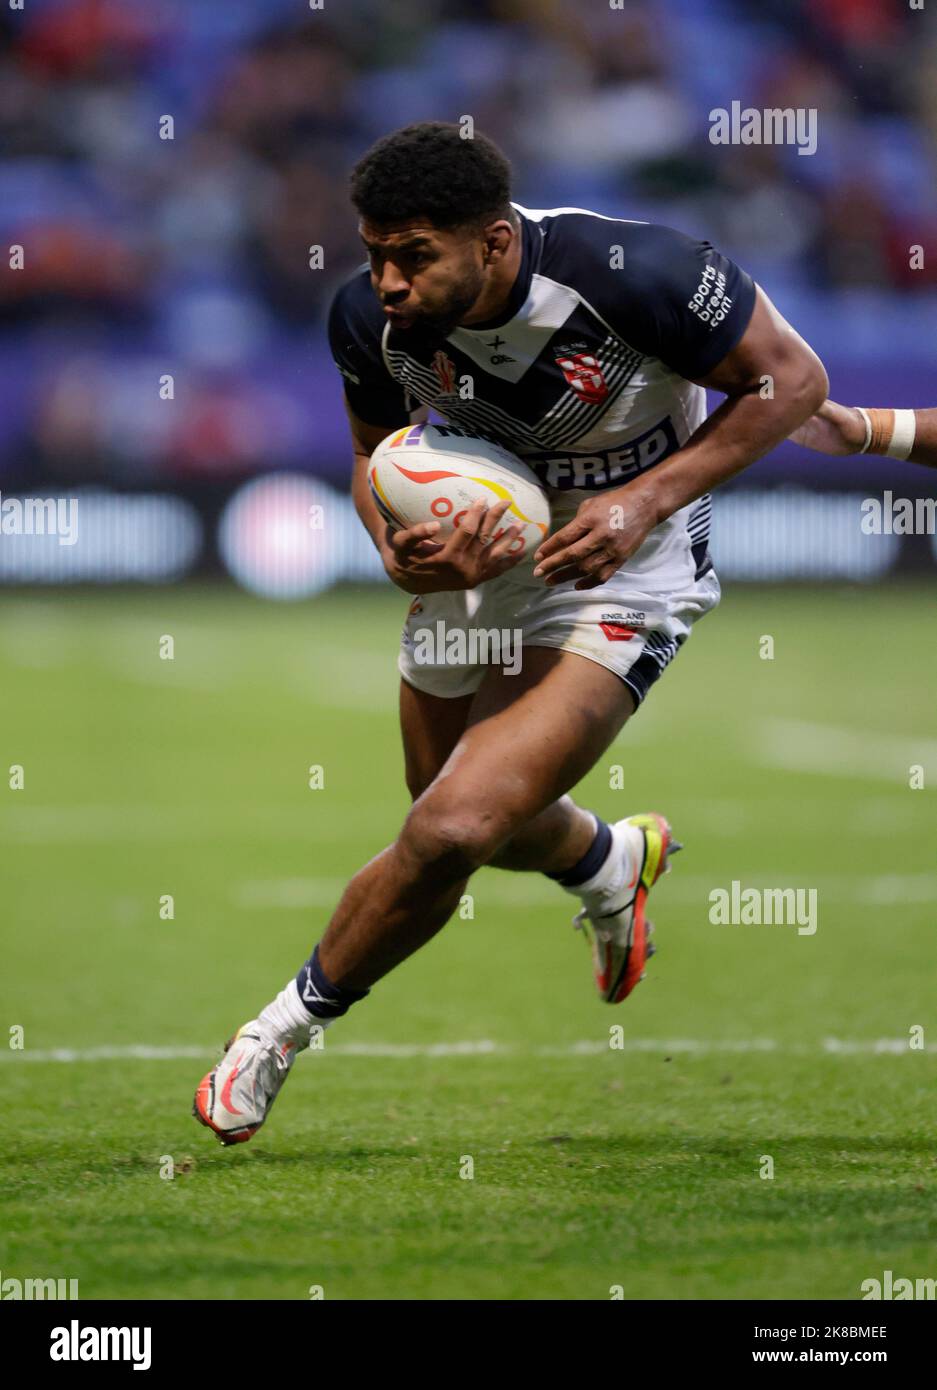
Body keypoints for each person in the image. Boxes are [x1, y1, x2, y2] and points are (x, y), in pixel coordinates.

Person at [192, 122, 919, 1146]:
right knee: (448, 812)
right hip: (473, 570)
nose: (386, 281)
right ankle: (604, 859)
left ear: (491, 243)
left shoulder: (639, 273)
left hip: (625, 567)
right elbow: (369, 459)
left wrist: (638, 501)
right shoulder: (367, 321)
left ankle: (277, 1031)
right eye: (373, 254)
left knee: (450, 828)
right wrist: (397, 550)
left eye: (411, 256)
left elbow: (790, 382)